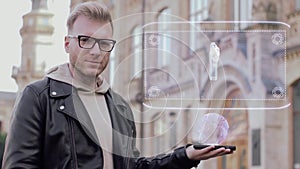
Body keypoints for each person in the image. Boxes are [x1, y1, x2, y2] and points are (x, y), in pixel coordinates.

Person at [2, 1, 233, 169]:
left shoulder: (119, 107)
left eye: (104, 43)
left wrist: (186, 156)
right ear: (67, 44)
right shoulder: (38, 97)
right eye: (85, 40)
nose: (95, 51)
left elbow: (134, 167)